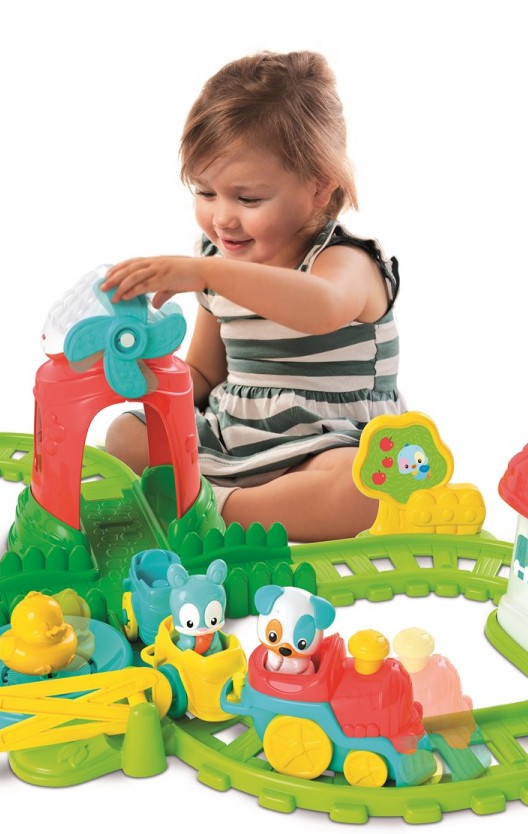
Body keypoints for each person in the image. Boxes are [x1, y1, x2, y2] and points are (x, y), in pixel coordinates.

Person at [104, 51, 403, 542]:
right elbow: (205, 374)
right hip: (234, 435)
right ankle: (213, 500)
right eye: (205, 193)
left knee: (362, 486)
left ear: (319, 188)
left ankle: (220, 510)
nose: (222, 218)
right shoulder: (216, 264)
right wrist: (145, 379)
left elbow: (322, 307)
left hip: (325, 447)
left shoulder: (346, 261)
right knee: (125, 434)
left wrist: (207, 272)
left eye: (247, 199)